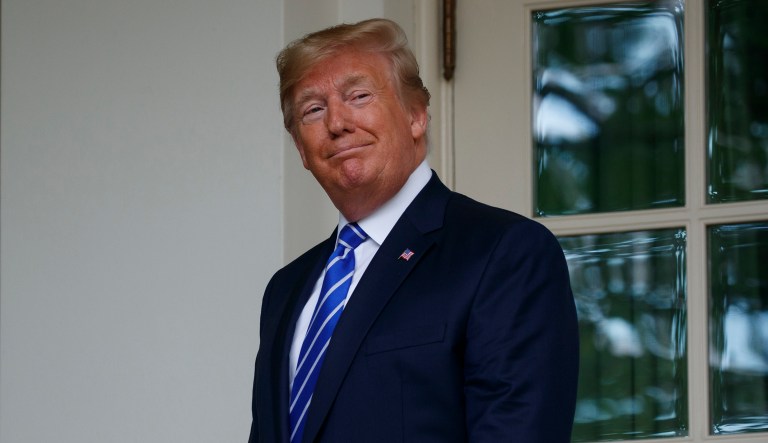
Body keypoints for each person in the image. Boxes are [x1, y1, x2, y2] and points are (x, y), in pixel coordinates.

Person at [249, 18, 579, 443]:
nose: (336, 123)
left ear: (416, 115)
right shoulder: (285, 289)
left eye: (359, 95)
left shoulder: (505, 253)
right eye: (313, 109)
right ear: (301, 149)